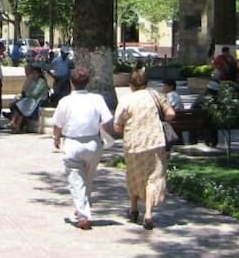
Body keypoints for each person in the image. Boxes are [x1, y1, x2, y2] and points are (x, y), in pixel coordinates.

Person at [51, 66, 114, 230]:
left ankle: (84, 214)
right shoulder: (97, 99)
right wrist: (102, 131)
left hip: (72, 143)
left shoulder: (65, 101)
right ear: (87, 82)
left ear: (71, 83)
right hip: (93, 143)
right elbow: (107, 120)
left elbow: (58, 124)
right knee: (88, 179)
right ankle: (83, 208)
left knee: (76, 180)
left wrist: (56, 138)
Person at [114, 69, 176, 229]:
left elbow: (117, 125)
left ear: (130, 84)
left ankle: (134, 209)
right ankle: (148, 214)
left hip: (134, 144)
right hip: (155, 141)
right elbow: (171, 114)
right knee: (153, 178)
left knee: (134, 176)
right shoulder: (156, 96)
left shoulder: (127, 100)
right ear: (146, 82)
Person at [8, 64, 49, 133]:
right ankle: (15, 125)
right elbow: (26, 90)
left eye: (35, 73)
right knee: (20, 106)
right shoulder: (32, 81)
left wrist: (26, 94)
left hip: (39, 100)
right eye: (33, 73)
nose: (34, 75)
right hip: (31, 99)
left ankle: (15, 123)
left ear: (39, 74)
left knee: (23, 106)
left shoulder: (41, 82)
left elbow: (35, 94)